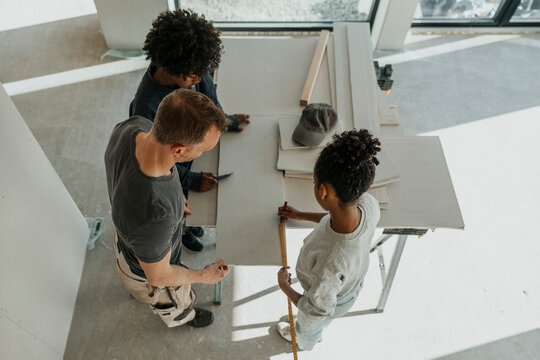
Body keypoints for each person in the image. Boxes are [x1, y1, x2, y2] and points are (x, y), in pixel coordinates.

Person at [105, 89, 231, 328]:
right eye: (202, 149)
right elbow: (159, 276)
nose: (203, 153)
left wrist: (171, 194)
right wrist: (203, 276)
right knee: (173, 303)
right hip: (147, 273)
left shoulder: (133, 127)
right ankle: (184, 316)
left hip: (131, 242)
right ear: (179, 150)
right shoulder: (156, 215)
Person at [129, 9, 250, 253]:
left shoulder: (193, 68)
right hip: (175, 175)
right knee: (179, 208)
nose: (198, 80)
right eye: (194, 77)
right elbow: (157, 165)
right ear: (176, 67)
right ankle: (182, 231)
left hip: (188, 152)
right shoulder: (145, 109)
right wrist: (190, 180)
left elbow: (209, 101)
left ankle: (189, 224)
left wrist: (225, 122)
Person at [275, 129, 382, 350]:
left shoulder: (330, 263)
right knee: (323, 317)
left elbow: (315, 309)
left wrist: (285, 286)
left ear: (323, 191)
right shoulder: (367, 204)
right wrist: (301, 215)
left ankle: (304, 340)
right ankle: (315, 330)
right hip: (348, 287)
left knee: (310, 325)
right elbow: (332, 218)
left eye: (314, 182)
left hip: (328, 297)